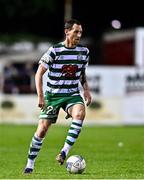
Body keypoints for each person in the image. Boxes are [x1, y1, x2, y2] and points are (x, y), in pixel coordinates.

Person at [23, 19, 92, 174]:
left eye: (80, 32)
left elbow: (81, 73)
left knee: (80, 114)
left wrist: (86, 90)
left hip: (72, 94)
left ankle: (64, 152)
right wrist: (41, 96)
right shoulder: (54, 51)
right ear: (67, 31)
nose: (79, 35)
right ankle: (30, 164)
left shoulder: (84, 52)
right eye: (76, 31)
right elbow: (39, 74)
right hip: (53, 95)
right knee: (41, 130)